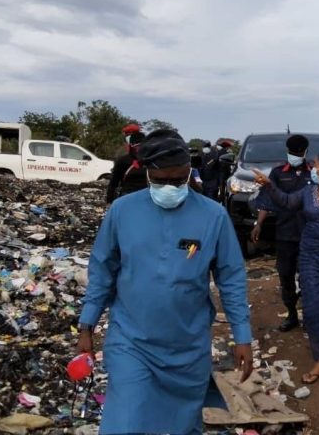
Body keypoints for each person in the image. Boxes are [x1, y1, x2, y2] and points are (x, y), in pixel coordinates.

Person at [77, 130, 253, 435]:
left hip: (187, 348)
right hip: (131, 342)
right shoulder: (123, 211)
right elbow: (103, 270)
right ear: (148, 174)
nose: (170, 187)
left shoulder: (213, 216)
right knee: (125, 423)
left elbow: (231, 278)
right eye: (161, 180)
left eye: (178, 180)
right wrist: (86, 326)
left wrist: (243, 335)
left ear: (189, 173)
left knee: (181, 426)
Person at [253, 147, 319, 384]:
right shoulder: (308, 191)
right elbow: (286, 201)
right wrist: (269, 185)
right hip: (310, 257)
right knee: (313, 309)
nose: (313, 167)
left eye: (316, 163)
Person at [251, 135, 313, 332]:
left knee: (309, 277)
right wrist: (258, 223)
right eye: (292, 152)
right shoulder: (278, 173)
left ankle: (310, 316)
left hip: (309, 234)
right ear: (288, 152)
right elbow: (267, 200)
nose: (295, 155)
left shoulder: (315, 173)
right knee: (285, 276)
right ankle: (292, 315)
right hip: (285, 233)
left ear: (305, 152)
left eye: (298, 152)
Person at [105, 124, 147, 204]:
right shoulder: (123, 155)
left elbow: (114, 181)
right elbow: (114, 181)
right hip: (133, 196)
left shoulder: (150, 159)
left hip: (137, 196)